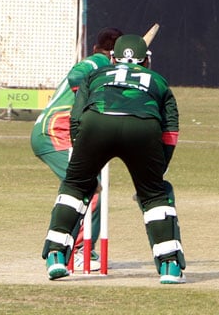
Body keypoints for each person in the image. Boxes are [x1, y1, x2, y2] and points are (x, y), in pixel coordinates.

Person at [42, 34, 186, 284]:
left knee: (75, 186)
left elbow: (77, 117)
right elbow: (170, 130)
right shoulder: (158, 81)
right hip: (142, 127)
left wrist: (80, 159)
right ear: (146, 60)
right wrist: (156, 174)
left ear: (114, 58)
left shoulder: (95, 75)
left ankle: (56, 256)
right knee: (154, 196)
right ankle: (169, 267)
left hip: (97, 123)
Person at [31, 27, 123, 271]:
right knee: (87, 188)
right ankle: (78, 251)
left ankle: (68, 248)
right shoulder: (98, 62)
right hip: (55, 133)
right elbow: (76, 77)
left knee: (85, 188)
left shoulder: (107, 67)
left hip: (64, 135)